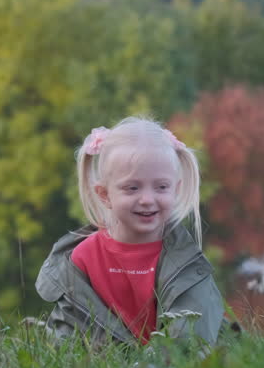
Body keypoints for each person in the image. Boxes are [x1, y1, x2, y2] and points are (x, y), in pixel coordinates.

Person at [35, 117, 225, 346]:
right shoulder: (81, 259)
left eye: (161, 187)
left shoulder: (185, 262)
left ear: (176, 189)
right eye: (132, 188)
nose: (147, 199)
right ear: (105, 195)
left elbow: (191, 339)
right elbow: (68, 337)